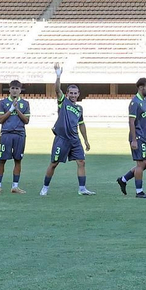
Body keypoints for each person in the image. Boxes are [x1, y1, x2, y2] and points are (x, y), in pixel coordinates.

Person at [42, 66, 93, 195]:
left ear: (78, 94)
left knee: (81, 162)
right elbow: (57, 89)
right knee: (54, 164)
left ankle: (82, 189)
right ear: (67, 94)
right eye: (71, 93)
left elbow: (81, 124)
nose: (73, 95)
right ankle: (45, 188)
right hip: (62, 138)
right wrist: (58, 75)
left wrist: (86, 140)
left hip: (75, 139)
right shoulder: (63, 102)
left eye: (76, 93)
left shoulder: (79, 109)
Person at [117, 78, 146, 199]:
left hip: (145, 136)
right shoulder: (134, 102)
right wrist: (133, 140)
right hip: (137, 137)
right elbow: (131, 122)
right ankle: (139, 192)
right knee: (140, 163)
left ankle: (123, 179)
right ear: (140, 88)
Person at [0, 80, 30, 194]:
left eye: (17, 88)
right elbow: (0, 120)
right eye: (13, 88)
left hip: (20, 134)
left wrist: (17, 109)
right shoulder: (2, 102)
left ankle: (15, 186)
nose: (15, 90)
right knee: (2, 160)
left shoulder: (25, 103)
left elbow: (26, 120)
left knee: (18, 160)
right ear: (9, 89)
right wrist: (11, 109)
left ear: (20, 90)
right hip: (6, 134)